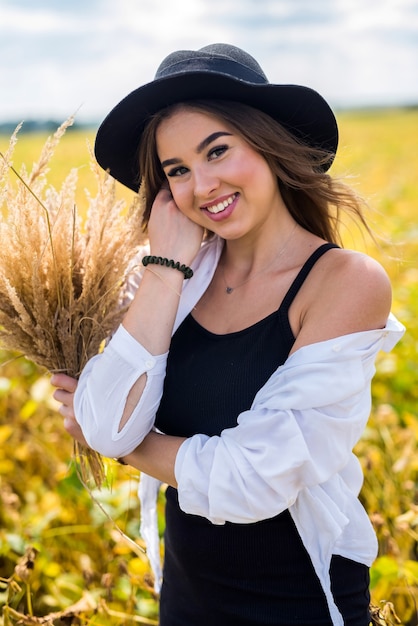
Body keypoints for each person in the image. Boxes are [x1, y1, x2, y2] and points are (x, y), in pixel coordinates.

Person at [51, 43, 405, 626]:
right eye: (178, 171)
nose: (203, 184)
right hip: (188, 594)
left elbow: (253, 481)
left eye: (218, 151)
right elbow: (109, 420)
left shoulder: (343, 283)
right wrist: (165, 268)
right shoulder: (172, 277)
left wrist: (127, 447)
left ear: (267, 145)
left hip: (300, 599)